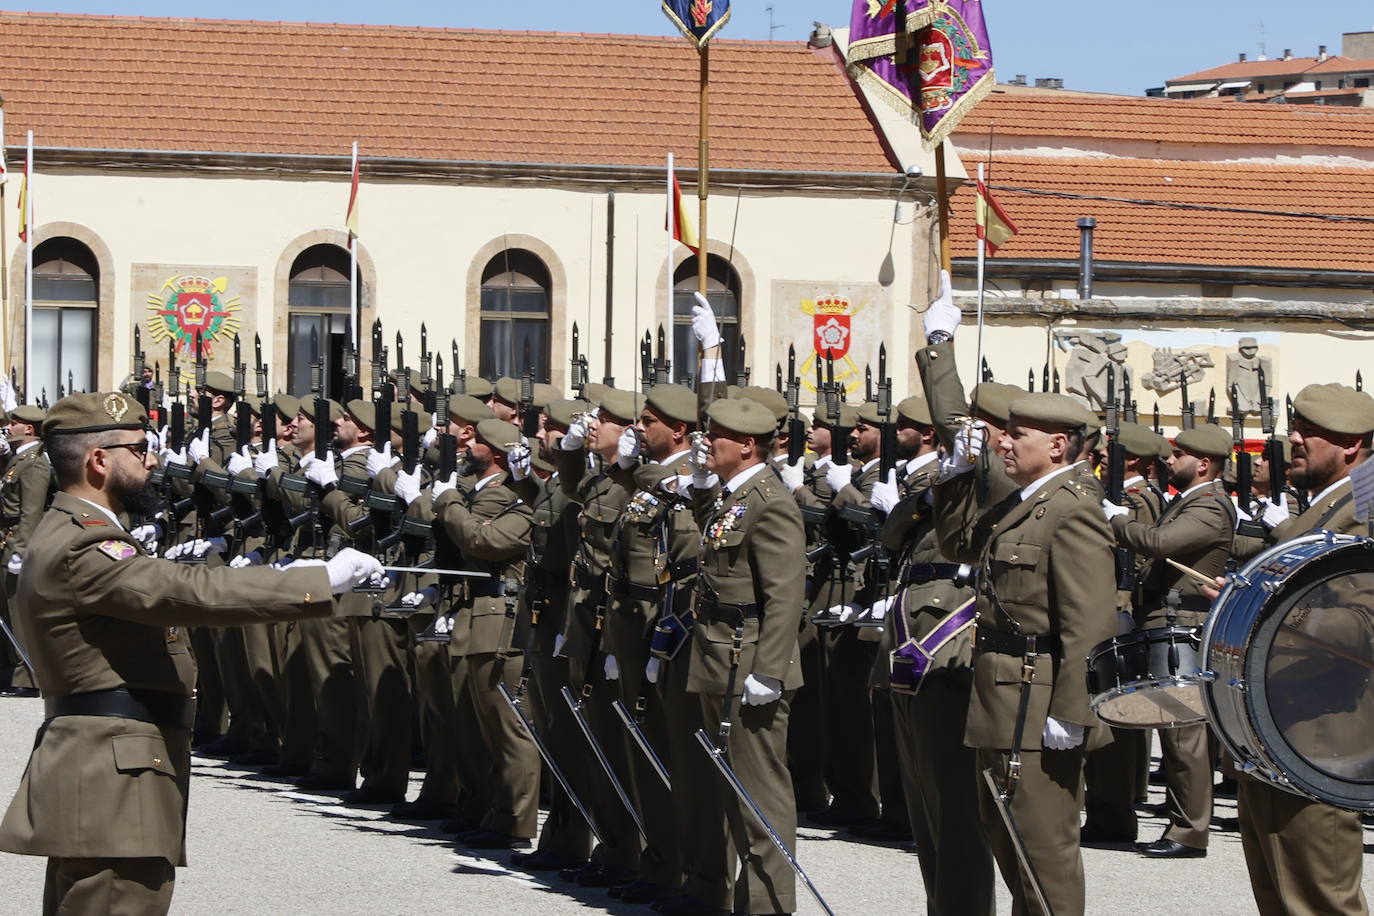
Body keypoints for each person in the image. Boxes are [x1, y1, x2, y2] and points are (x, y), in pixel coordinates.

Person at [0, 390, 383, 916]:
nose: (152, 459)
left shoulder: (73, 531)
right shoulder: (85, 544)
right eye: (139, 449)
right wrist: (320, 581)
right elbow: (190, 591)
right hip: (114, 771)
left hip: (106, 763)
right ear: (99, 460)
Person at [1231, 382, 1374, 916]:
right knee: (1278, 895)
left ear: (1351, 444)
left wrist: (1268, 610)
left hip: (1322, 738)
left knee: (1319, 900)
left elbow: (1362, 625)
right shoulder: (1319, 510)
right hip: (1275, 729)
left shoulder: (1361, 511)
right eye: (1297, 427)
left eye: (1310, 432)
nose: (1294, 438)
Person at [1103, 423, 1236, 858]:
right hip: (1162, 615)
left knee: (1183, 731)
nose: (1170, 461)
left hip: (1182, 620)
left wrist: (1115, 518)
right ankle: (1176, 821)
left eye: (1179, 456)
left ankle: (1188, 832)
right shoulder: (1190, 502)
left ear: (1202, 464)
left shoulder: (1211, 506)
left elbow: (1160, 543)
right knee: (1166, 725)